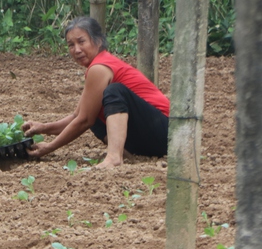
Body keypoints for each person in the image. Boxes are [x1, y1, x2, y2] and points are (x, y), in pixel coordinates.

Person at [22, 16, 170, 168]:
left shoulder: (100, 67)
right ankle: (126, 153)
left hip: (166, 132)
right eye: (71, 45)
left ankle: (114, 157)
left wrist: (50, 147)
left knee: (114, 92)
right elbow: (77, 116)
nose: (77, 50)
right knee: (93, 111)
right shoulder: (97, 66)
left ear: (98, 41)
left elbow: (84, 121)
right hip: (151, 138)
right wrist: (43, 127)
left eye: (81, 42)